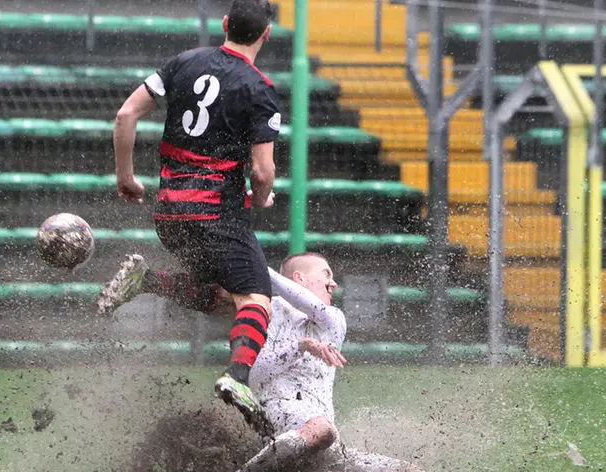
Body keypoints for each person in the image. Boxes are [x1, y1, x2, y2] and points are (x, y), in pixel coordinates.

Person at [96, 0, 281, 433]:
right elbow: (263, 171)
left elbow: (126, 114)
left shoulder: (185, 62)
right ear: (265, 36)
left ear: (225, 25)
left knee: (219, 299)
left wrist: (126, 177)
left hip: (170, 212)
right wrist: (260, 199)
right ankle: (238, 379)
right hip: (216, 213)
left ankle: (147, 281)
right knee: (256, 299)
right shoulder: (259, 88)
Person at [240, 253, 424, 472]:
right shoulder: (268, 311)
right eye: (326, 273)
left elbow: (314, 307)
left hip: (325, 441)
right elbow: (254, 376)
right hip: (280, 417)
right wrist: (300, 346)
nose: (334, 283)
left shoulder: (335, 318)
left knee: (411, 470)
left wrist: (261, 269)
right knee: (321, 429)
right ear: (299, 278)